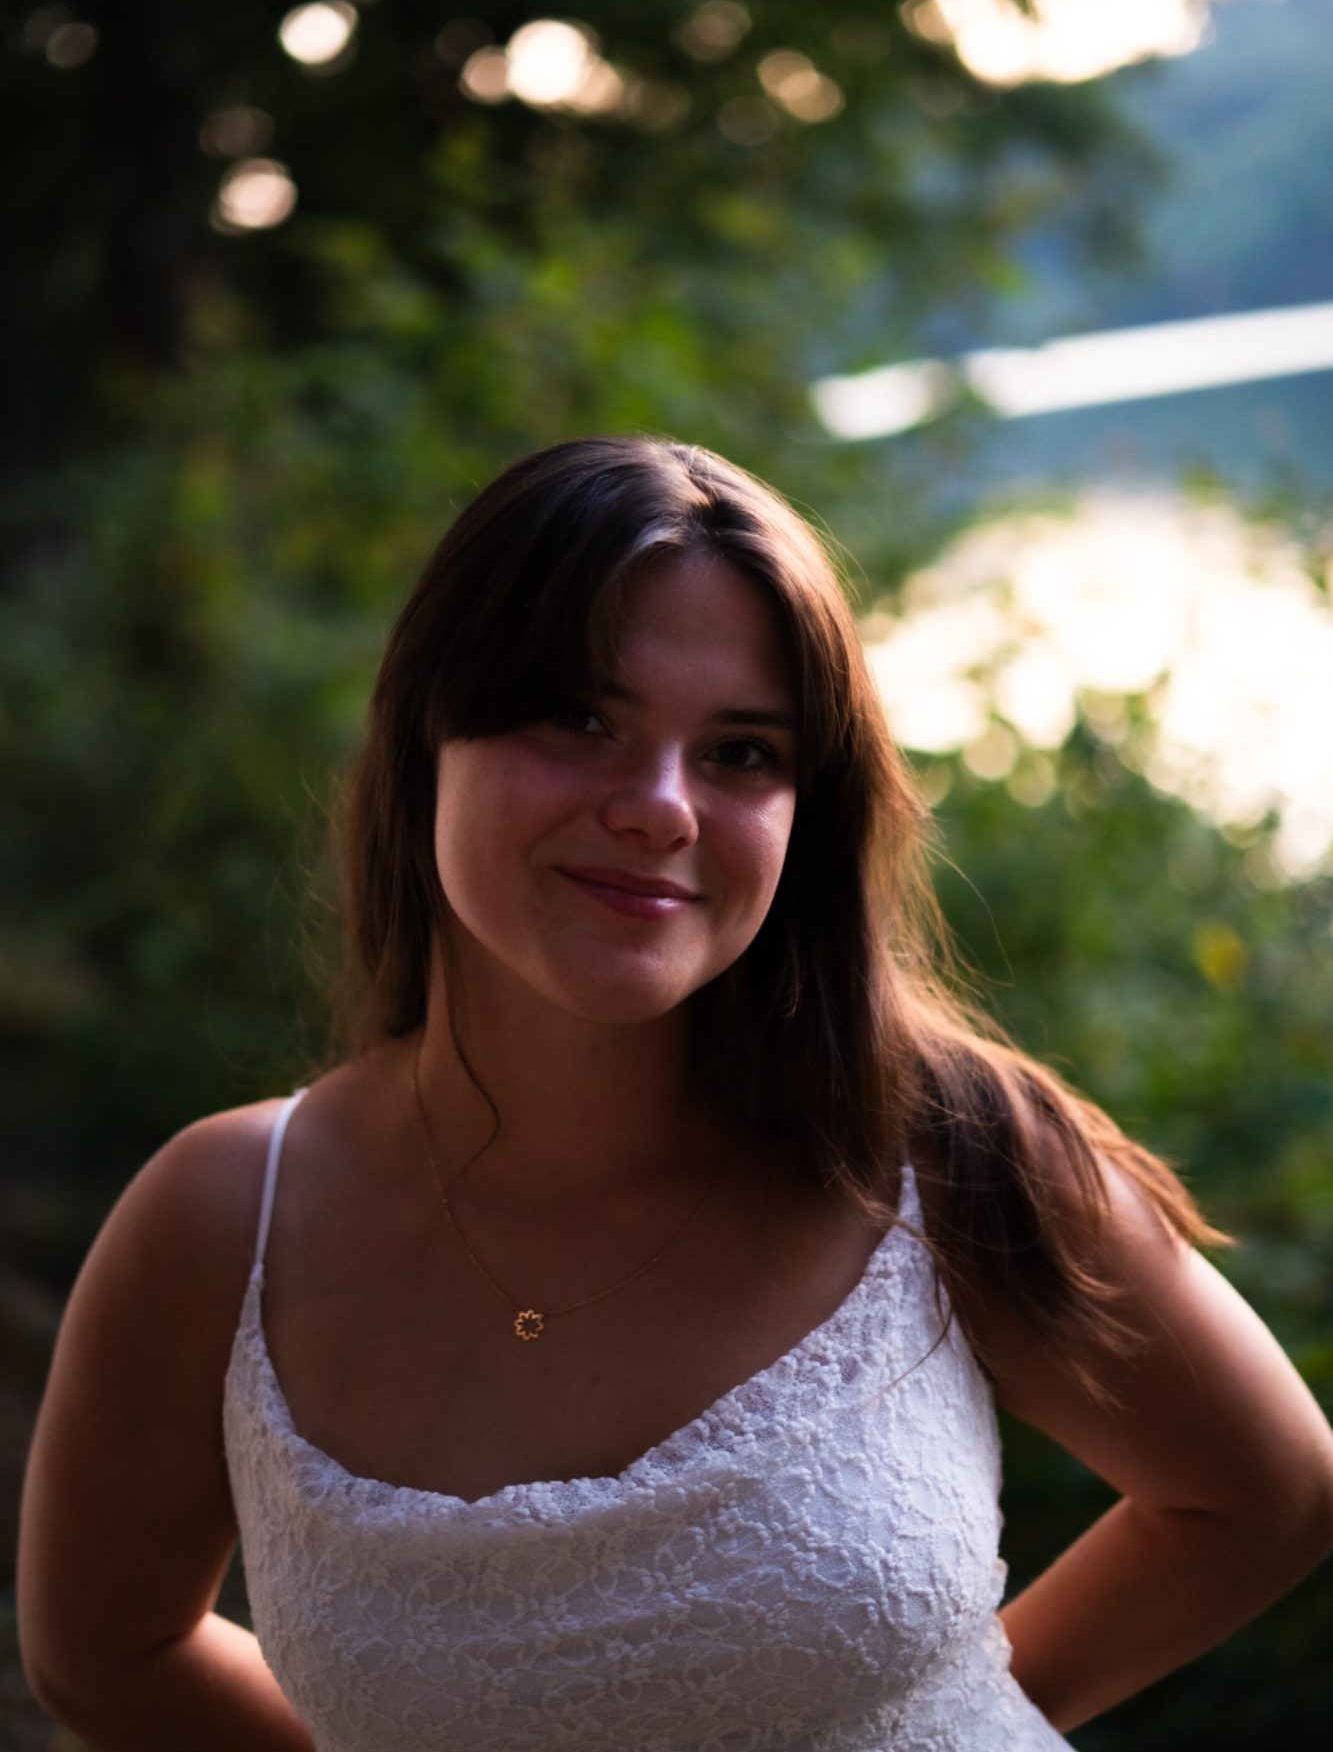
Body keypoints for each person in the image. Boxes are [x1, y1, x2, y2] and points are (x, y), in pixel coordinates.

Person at [17, 436, 1333, 1751]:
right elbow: (108, 1654)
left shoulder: (936, 1151)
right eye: (580, 719)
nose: (657, 807)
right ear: (429, 731)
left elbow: (1268, 1493)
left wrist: (937, 1717)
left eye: (741, 753)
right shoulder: (222, 1222)